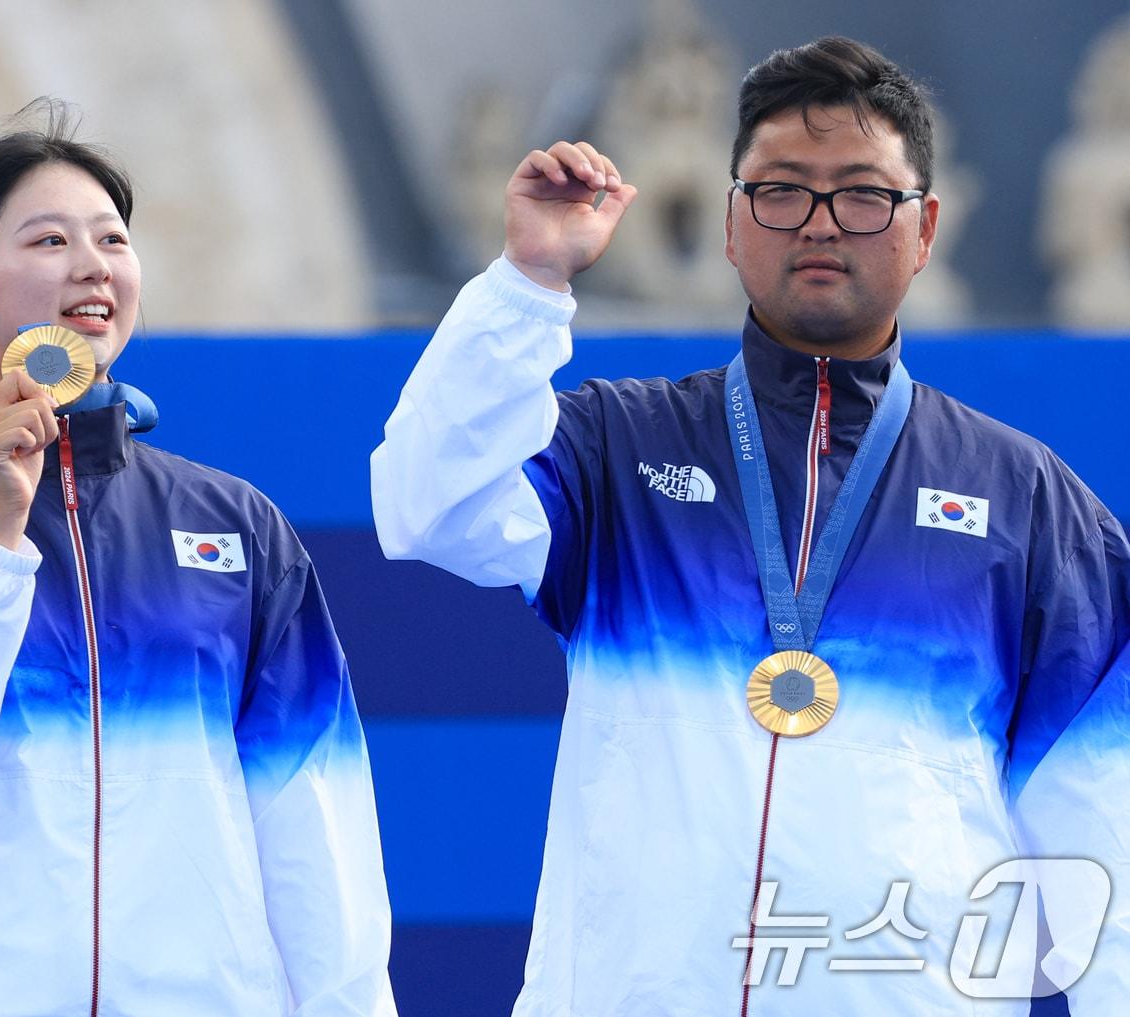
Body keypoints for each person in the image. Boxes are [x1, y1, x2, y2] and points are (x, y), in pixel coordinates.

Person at [371, 36, 1129, 1016]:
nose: (818, 224)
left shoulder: (1026, 500)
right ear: (731, 221)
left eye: (861, 193)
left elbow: (1103, 828)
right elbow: (425, 505)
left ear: (924, 226)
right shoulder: (615, 446)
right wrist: (527, 285)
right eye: (779, 191)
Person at [0, 104, 396, 1017]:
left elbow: (312, 810)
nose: (92, 265)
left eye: (112, 239)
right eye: (48, 240)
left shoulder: (236, 525)